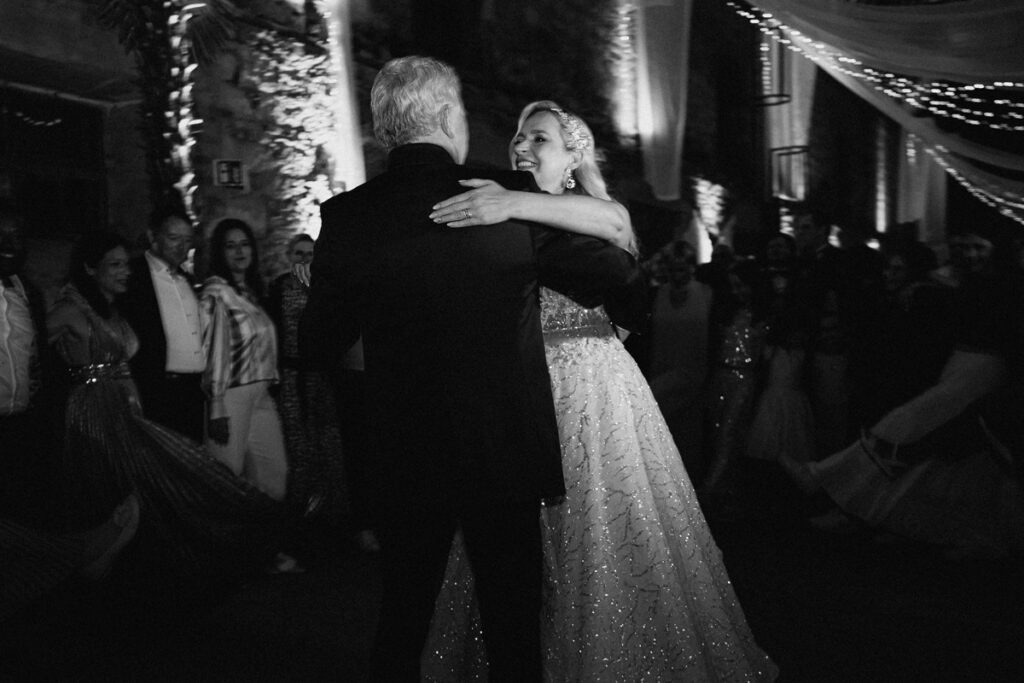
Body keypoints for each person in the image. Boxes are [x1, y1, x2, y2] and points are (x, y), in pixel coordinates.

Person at [302, 57, 639, 681]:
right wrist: (524, 208)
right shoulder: (499, 200)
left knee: (403, 615)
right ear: (451, 119)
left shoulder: (346, 217)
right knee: (513, 627)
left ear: (385, 130)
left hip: (404, 450)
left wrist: (332, 287)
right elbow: (616, 270)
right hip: (501, 448)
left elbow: (320, 343)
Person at [424, 100, 777, 681]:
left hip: (593, 385)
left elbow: (618, 229)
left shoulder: (588, 213)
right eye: (518, 136)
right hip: (524, 385)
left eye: (538, 138)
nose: (521, 145)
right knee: (522, 537)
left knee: (606, 522)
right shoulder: (494, 221)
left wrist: (510, 199)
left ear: (572, 156)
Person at [47, 231, 282, 572]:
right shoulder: (70, 310)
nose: (125, 271)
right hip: (92, 411)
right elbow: (36, 346)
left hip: (125, 411)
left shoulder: (116, 311)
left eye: (126, 265)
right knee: (110, 489)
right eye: (114, 265)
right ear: (89, 268)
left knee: (154, 481)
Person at [200, 218, 288, 503]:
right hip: (231, 394)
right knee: (224, 477)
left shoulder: (250, 293)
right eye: (230, 246)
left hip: (261, 392)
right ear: (220, 253)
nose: (239, 252)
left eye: (244, 244)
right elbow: (214, 349)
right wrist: (216, 405)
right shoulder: (216, 293)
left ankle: (263, 545)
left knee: (273, 475)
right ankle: (221, 546)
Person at [267, 233, 347, 523]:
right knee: (298, 449)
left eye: (310, 253)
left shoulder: (326, 290)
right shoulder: (279, 288)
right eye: (299, 253)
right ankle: (297, 518)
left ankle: (332, 516)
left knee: (330, 445)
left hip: (323, 379)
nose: (304, 259)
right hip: (292, 378)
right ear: (290, 255)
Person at [119, 207, 206, 443]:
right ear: (152, 236)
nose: (181, 247)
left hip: (193, 391)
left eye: (187, 240)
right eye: (173, 238)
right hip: (156, 389)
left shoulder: (187, 279)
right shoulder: (133, 275)